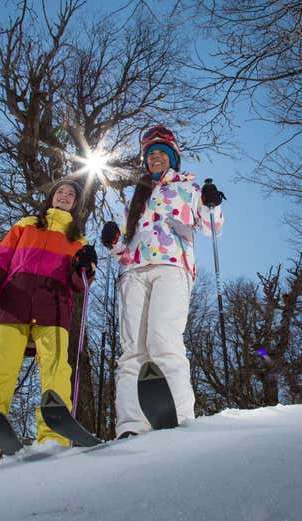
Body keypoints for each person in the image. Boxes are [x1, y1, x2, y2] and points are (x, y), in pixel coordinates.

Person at [101, 125, 225, 438]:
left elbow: (212, 227)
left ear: (172, 157)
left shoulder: (188, 187)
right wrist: (115, 243)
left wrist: (213, 202)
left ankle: (180, 417)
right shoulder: (139, 195)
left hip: (172, 265)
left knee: (162, 338)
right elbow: (127, 250)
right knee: (133, 350)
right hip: (134, 272)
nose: (155, 158)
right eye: (150, 155)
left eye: (161, 153)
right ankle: (131, 425)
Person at [0, 178, 97, 465]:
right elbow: (2, 257)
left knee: (57, 373)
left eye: (70, 195)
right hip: (14, 301)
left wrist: (86, 264)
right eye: (60, 192)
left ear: (76, 204)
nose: (64, 196)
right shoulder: (25, 224)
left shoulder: (78, 240)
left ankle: (54, 438)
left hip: (54, 307)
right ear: (51, 197)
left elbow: (80, 281)